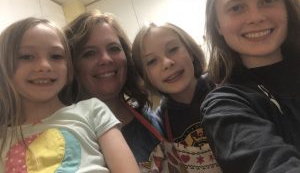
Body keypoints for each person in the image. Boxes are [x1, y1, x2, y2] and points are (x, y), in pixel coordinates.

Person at [0, 17, 140, 173]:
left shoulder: (92, 111)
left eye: (56, 56)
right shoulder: (4, 136)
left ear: (69, 69)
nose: (44, 66)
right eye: (26, 56)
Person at [200, 0, 300, 173]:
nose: (256, 17)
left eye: (268, 0)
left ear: (286, 6)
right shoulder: (224, 105)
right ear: (218, 24)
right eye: (236, 8)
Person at [64, 10, 163, 171]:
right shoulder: (69, 137)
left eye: (113, 48)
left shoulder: (145, 114)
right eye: (89, 53)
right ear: (72, 66)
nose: (106, 59)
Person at [132, 22, 221, 172]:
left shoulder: (225, 87)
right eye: (152, 61)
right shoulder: (161, 121)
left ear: (190, 52)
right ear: (146, 76)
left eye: (173, 49)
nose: (167, 63)